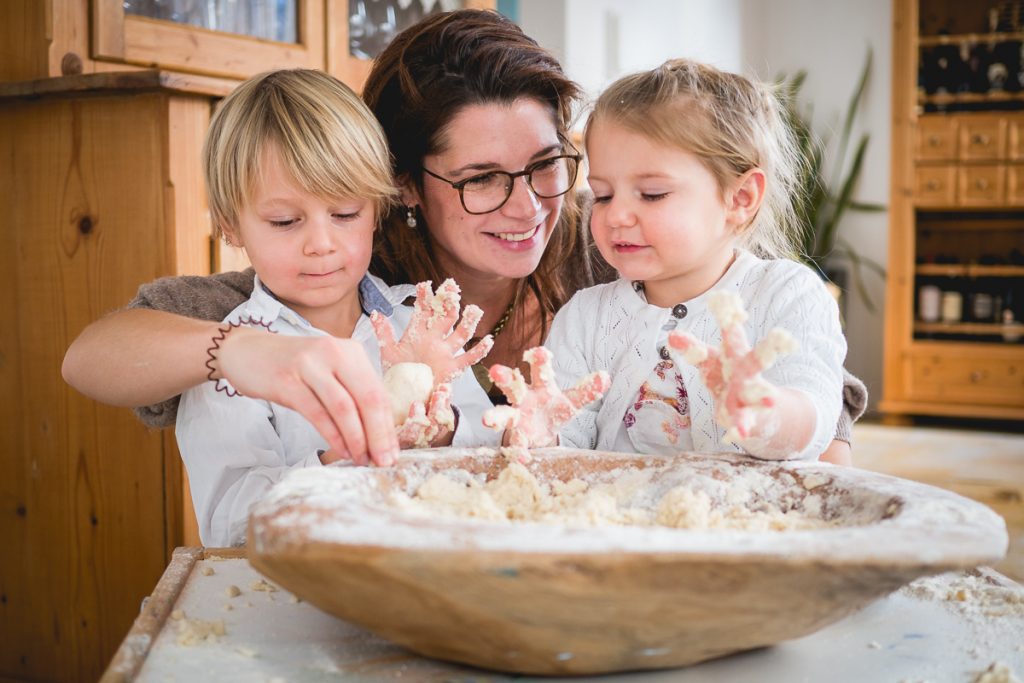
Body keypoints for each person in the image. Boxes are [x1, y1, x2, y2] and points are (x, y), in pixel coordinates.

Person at [61, 9, 864, 465]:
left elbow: (797, 381)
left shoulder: (606, 240)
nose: (527, 207)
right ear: (403, 185)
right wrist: (233, 350)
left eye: (547, 163)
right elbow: (97, 352)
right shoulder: (340, 267)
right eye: (480, 179)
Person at [173, 69, 492, 546]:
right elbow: (229, 524)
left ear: (377, 209)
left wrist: (443, 433)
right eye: (284, 221)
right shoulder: (231, 359)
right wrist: (338, 463)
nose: (321, 244)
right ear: (230, 226)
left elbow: (494, 464)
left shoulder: (416, 327)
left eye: (345, 214)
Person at [484, 59, 845, 461]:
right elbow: (569, 442)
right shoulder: (585, 317)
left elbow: (818, 411)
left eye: (652, 194)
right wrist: (540, 435)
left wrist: (765, 412)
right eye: (602, 195)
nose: (615, 215)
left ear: (740, 199)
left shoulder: (787, 294)